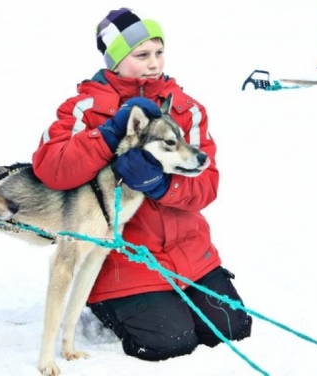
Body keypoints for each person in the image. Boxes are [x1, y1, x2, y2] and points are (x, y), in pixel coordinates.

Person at [31, 7, 252, 361]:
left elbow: (207, 185)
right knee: (170, 341)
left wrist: (162, 187)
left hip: (188, 251)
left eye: (159, 52)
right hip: (123, 258)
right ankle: (105, 302)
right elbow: (50, 169)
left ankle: (174, 294)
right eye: (142, 55)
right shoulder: (83, 108)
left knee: (232, 328)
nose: (154, 64)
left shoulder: (185, 109)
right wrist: (106, 135)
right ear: (114, 60)